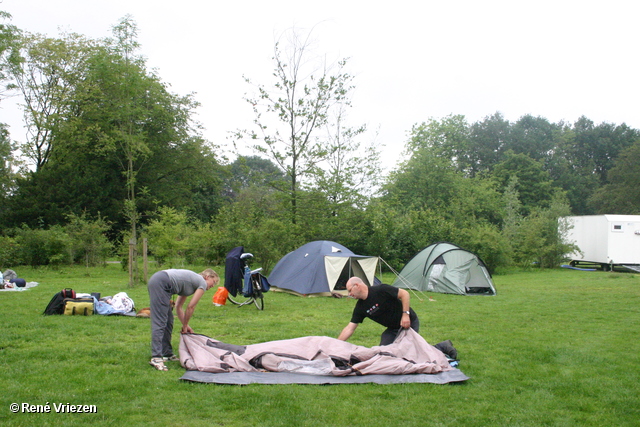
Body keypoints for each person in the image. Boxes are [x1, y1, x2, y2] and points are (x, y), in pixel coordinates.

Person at [147, 268, 219, 371]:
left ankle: (167, 353)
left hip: (160, 281)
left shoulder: (191, 284)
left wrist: (186, 325)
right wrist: (185, 326)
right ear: (207, 277)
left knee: (169, 320)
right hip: (161, 282)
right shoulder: (201, 282)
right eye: (213, 281)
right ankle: (156, 357)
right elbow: (191, 307)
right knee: (160, 322)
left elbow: (178, 307)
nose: (213, 285)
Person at [337, 276, 420, 346]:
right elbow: (350, 328)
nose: (349, 294)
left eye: (350, 290)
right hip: (393, 328)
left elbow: (404, 294)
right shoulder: (360, 307)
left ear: (357, 285)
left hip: (409, 322)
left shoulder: (381, 290)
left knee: (407, 349)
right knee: (383, 351)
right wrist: (335, 344)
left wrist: (405, 315)